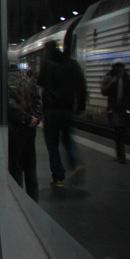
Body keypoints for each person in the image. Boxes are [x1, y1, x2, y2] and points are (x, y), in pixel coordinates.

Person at [37, 40, 87, 187]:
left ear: (47, 50)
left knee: (52, 144)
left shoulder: (47, 64)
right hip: (67, 109)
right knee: (68, 139)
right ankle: (75, 164)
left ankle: (58, 177)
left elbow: (40, 83)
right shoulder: (72, 64)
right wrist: (81, 106)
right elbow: (81, 85)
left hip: (51, 110)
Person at [7, 65, 42, 200]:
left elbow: (11, 106)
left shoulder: (7, 83)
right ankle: (33, 199)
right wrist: (35, 118)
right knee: (30, 167)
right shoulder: (28, 80)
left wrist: (26, 118)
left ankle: (18, 200)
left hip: (15, 129)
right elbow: (38, 101)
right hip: (30, 130)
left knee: (16, 167)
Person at [101, 62, 130, 163]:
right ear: (114, 69)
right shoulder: (109, 78)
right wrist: (111, 83)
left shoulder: (128, 79)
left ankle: (120, 155)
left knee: (122, 131)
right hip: (115, 109)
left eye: (121, 68)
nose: (119, 70)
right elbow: (104, 91)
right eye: (117, 68)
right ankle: (121, 155)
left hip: (125, 109)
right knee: (118, 132)